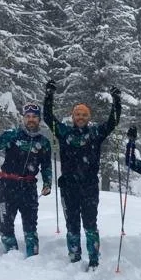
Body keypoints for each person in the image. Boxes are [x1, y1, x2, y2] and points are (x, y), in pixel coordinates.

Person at [43, 80, 122, 268]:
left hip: (89, 186)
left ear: (89, 117)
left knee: (90, 223)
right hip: (68, 186)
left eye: (84, 114)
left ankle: (94, 260)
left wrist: (116, 100)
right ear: (72, 116)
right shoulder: (63, 132)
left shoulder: (95, 133)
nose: (80, 117)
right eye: (77, 114)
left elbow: (113, 121)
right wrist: (49, 95)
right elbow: (48, 117)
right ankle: (74, 258)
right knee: (72, 224)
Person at [0, 103, 52, 257]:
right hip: (8, 186)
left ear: (39, 119)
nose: (31, 119)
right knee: (5, 224)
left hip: (29, 187)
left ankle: (33, 258)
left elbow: (47, 166)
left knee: (30, 226)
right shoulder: (12, 135)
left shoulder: (43, 142)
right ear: (23, 118)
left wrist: (48, 183)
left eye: (34, 117)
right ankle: (12, 258)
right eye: (28, 116)